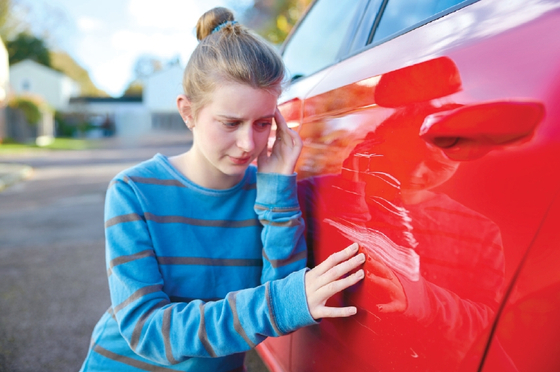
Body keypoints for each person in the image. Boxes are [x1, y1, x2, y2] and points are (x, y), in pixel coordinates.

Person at [80, 7, 364, 372]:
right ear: (188, 113)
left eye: (263, 123)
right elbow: (149, 331)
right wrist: (281, 303)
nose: (248, 143)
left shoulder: (266, 193)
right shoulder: (134, 191)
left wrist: (277, 192)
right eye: (230, 122)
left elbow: (282, 300)